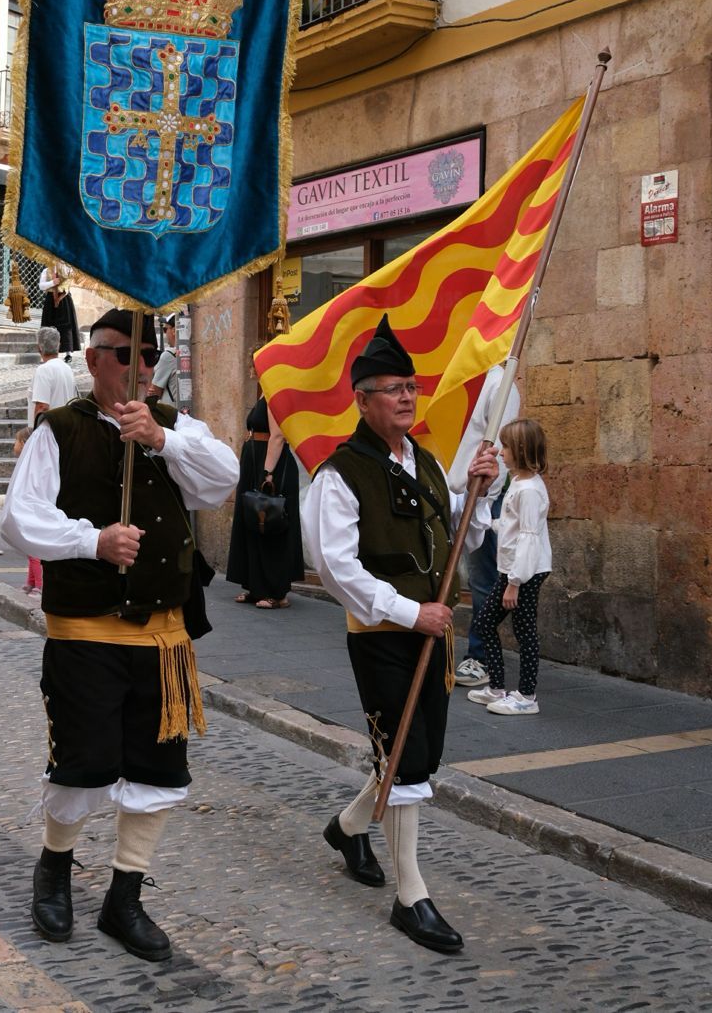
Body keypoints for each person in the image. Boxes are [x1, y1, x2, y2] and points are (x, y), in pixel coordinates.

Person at [1, 307, 238, 962]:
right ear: (94, 358)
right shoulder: (60, 431)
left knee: (159, 770)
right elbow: (19, 520)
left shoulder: (174, 429)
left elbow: (223, 479)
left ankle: (125, 894)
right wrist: (92, 540)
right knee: (84, 763)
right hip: (84, 632)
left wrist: (162, 441)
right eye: (125, 354)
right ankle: (54, 866)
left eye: (147, 354)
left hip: (162, 638)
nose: (138, 367)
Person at [303, 316, 499, 955]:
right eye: (391, 388)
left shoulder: (432, 464)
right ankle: (410, 896)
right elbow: (334, 566)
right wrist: (409, 613)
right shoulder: (341, 473)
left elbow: (458, 542)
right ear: (361, 399)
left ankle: (349, 826)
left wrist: (478, 494)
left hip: (431, 637)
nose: (407, 398)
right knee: (407, 757)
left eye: (411, 387)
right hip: (384, 636)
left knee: (412, 753)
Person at [466, 418, 552, 716]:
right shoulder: (518, 482)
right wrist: (490, 524)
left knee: (524, 631)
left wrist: (515, 582)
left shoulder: (529, 490)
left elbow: (529, 538)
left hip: (523, 572)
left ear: (521, 449)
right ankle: (497, 687)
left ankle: (527, 696)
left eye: (506, 446)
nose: (501, 453)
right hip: (513, 569)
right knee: (486, 623)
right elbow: (515, 527)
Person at [447, 365, 523, 689]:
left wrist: (486, 495)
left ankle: (482, 656)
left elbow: (500, 452)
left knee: (484, 579)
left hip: (485, 493)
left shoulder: (500, 385)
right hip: (455, 490)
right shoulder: (455, 379)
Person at [225, 392, 303, 609]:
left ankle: (277, 593)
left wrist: (267, 472)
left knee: (271, 525)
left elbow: (277, 436)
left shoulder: (276, 391)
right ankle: (256, 587)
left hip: (270, 464)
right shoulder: (263, 391)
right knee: (254, 523)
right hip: (255, 461)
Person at [10, 425, 42, 597]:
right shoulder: (29, 462)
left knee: (34, 552)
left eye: (16, 441)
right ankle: (30, 583)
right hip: (29, 509)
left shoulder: (30, 464)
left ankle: (39, 585)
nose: (14, 445)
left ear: (24, 443)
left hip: (31, 510)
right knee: (30, 551)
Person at [27, 327, 76, 427]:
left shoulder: (43, 370)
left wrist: (36, 435)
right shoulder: (67, 369)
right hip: (65, 429)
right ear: (59, 346)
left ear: (39, 347)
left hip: (49, 431)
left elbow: (42, 407)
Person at [37, 263, 80, 359]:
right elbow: (41, 286)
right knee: (49, 325)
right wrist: (53, 282)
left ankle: (68, 354)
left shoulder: (68, 269)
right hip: (50, 300)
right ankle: (48, 352)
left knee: (66, 326)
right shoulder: (46, 270)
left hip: (64, 299)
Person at [145, 315, 181, 407]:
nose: (165, 333)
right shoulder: (186, 353)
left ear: (174, 330)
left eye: (165, 329)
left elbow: (155, 392)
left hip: (170, 413)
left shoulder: (168, 356)